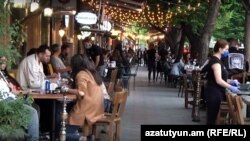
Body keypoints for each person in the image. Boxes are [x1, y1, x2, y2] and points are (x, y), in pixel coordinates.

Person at [61, 54, 104, 141]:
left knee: (63, 135)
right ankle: (84, 136)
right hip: (97, 107)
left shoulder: (81, 74)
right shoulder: (91, 72)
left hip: (86, 108)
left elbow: (81, 92)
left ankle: (84, 139)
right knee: (68, 108)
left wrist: (65, 89)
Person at [0, 56, 39, 141]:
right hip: (5, 102)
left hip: (12, 99)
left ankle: (31, 133)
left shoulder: (3, 76)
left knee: (35, 106)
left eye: (5, 62)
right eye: (2, 61)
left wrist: (13, 91)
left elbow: (12, 92)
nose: (4, 64)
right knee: (32, 112)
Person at [203, 39, 240, 125]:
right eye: (226, 49)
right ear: (220, 49)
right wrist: (231, 87)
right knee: (211, 120)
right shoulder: (215, 62)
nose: (227, 51)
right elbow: (218, 80)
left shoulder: (218, 61)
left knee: (213, 118)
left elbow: (220, 78)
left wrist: (231, 81)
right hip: (214, 93)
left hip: (216, 92)